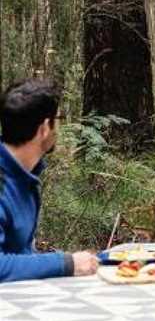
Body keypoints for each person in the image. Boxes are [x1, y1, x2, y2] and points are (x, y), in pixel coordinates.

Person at [0, 79, 99, 283]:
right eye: (58, 119)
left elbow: (20, 254)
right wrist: (65, 263)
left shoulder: (22, 175)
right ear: (45, 128)